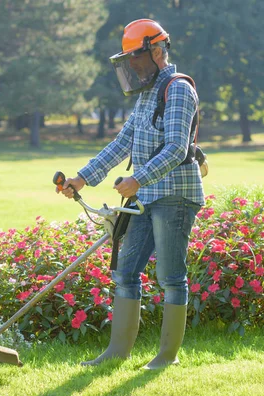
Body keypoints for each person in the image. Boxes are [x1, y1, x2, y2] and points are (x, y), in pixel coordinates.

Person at [57, 19, 204, 370]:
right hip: (144, 195)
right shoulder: (146, 93)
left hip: (174, 195)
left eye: (135, 59)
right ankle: (117, 353)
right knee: (125, 272)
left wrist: (137, 178)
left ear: (156, 50)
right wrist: (82, 178)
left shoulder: (178, 89)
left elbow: (176, 149)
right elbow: (122, 142)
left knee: (170, 276)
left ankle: (167, 356)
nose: (131, 67)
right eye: (127, 61)